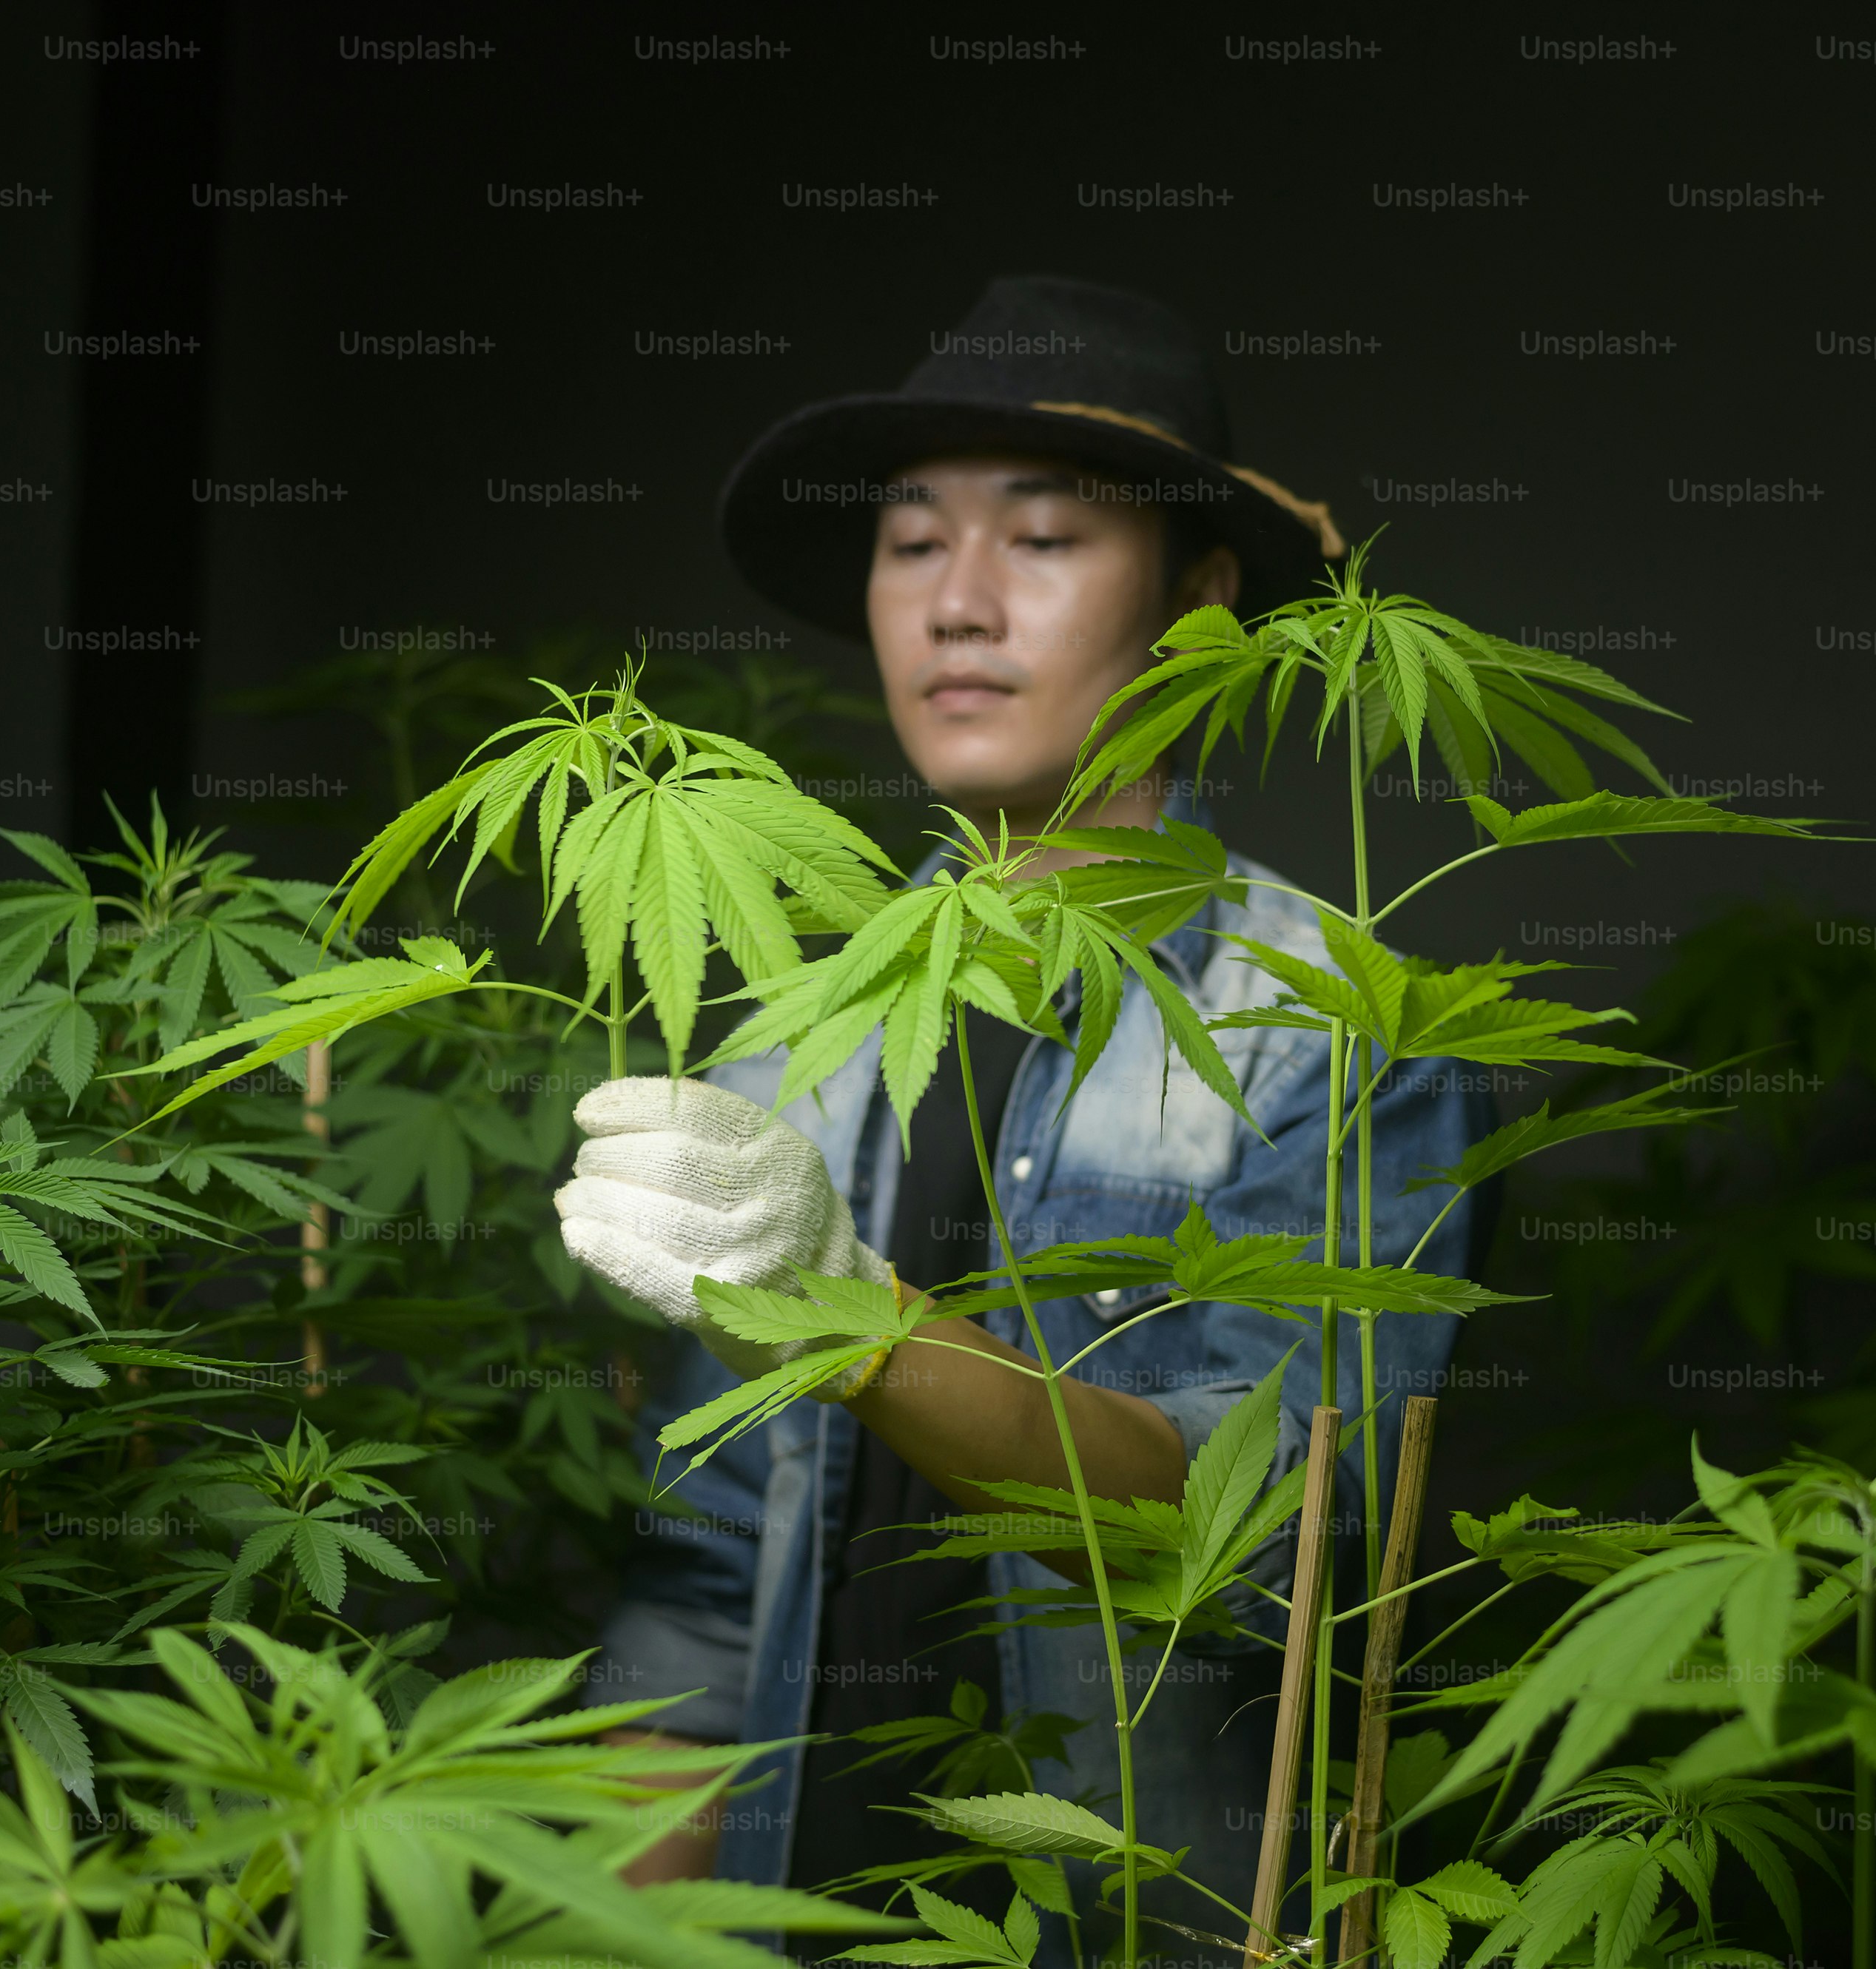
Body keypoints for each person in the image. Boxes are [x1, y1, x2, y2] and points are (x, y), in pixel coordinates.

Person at [556, 277, 1493, 1956]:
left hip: (1138, 1911)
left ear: (1200, 600)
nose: (959, 605)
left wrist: (849, 1319)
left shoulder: (1336, 1022)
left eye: (1042, 538)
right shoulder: (788, 1033)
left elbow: (1272, 1520)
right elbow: (701, 1594)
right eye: (910, 545)